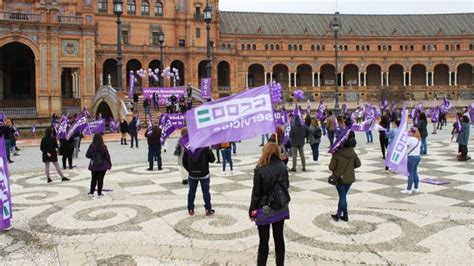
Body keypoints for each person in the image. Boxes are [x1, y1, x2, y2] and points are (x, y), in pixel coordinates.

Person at [249, 142, 289, 266]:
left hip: (265, 207)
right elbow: (286, 185)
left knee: (264, 240)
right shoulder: (283, 166)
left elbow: (256, 193)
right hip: (280, 206)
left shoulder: (260, 169)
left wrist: (252, 209)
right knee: (279, 238)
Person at [329, 130, 361, 222]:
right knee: (342, 196)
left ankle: (343, 215)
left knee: (342, 197)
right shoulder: (352, 151)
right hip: (350, 178)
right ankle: (340, 215)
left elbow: (331, 167)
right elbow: (358, 164)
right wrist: (351, 167)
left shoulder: (337, 153)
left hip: (339, 178)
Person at [183, 144, 216, 216]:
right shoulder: (205, 146)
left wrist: (190, 170)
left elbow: (184, 161)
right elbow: (212, 160)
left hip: (192, 175)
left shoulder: (189, 147)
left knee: (191, 192)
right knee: (206, 192)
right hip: (204, 174)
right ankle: (208, 209)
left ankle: (190, 209)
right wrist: (210, 150)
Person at [401, 127, 422, 194]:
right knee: (415, 172)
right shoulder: (418, 139)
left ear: (412, 132)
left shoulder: (411, 139)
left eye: (410, 131)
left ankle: (408, 189)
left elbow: (404, 145)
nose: (409, 132)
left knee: (410, 173)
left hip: (411, 157)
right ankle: (416, 188)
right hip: (417, 157)